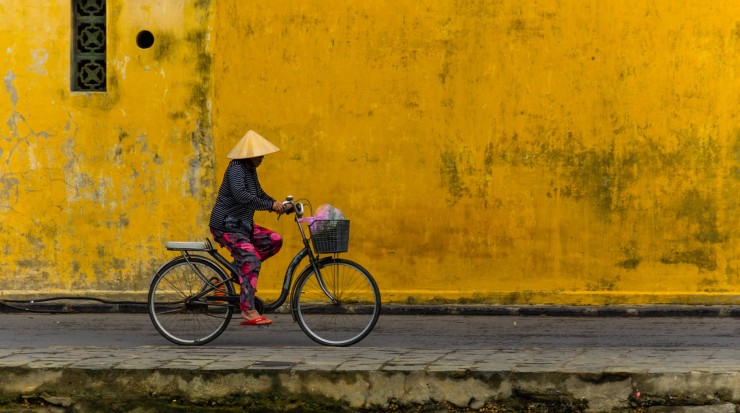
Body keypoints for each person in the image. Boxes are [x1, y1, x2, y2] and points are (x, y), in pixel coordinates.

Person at [209, 130, 289, 326]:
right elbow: (242, 196)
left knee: (274, 240)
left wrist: (276, 203)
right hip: (226, 226)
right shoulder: (236, 168)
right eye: (258, 154)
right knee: (251, 258)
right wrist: (270, 206)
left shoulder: (249, 170)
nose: (261, 158)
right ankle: (247, 309)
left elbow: (258, 193)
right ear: (248, 154)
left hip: (242, 226)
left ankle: (240, 272)